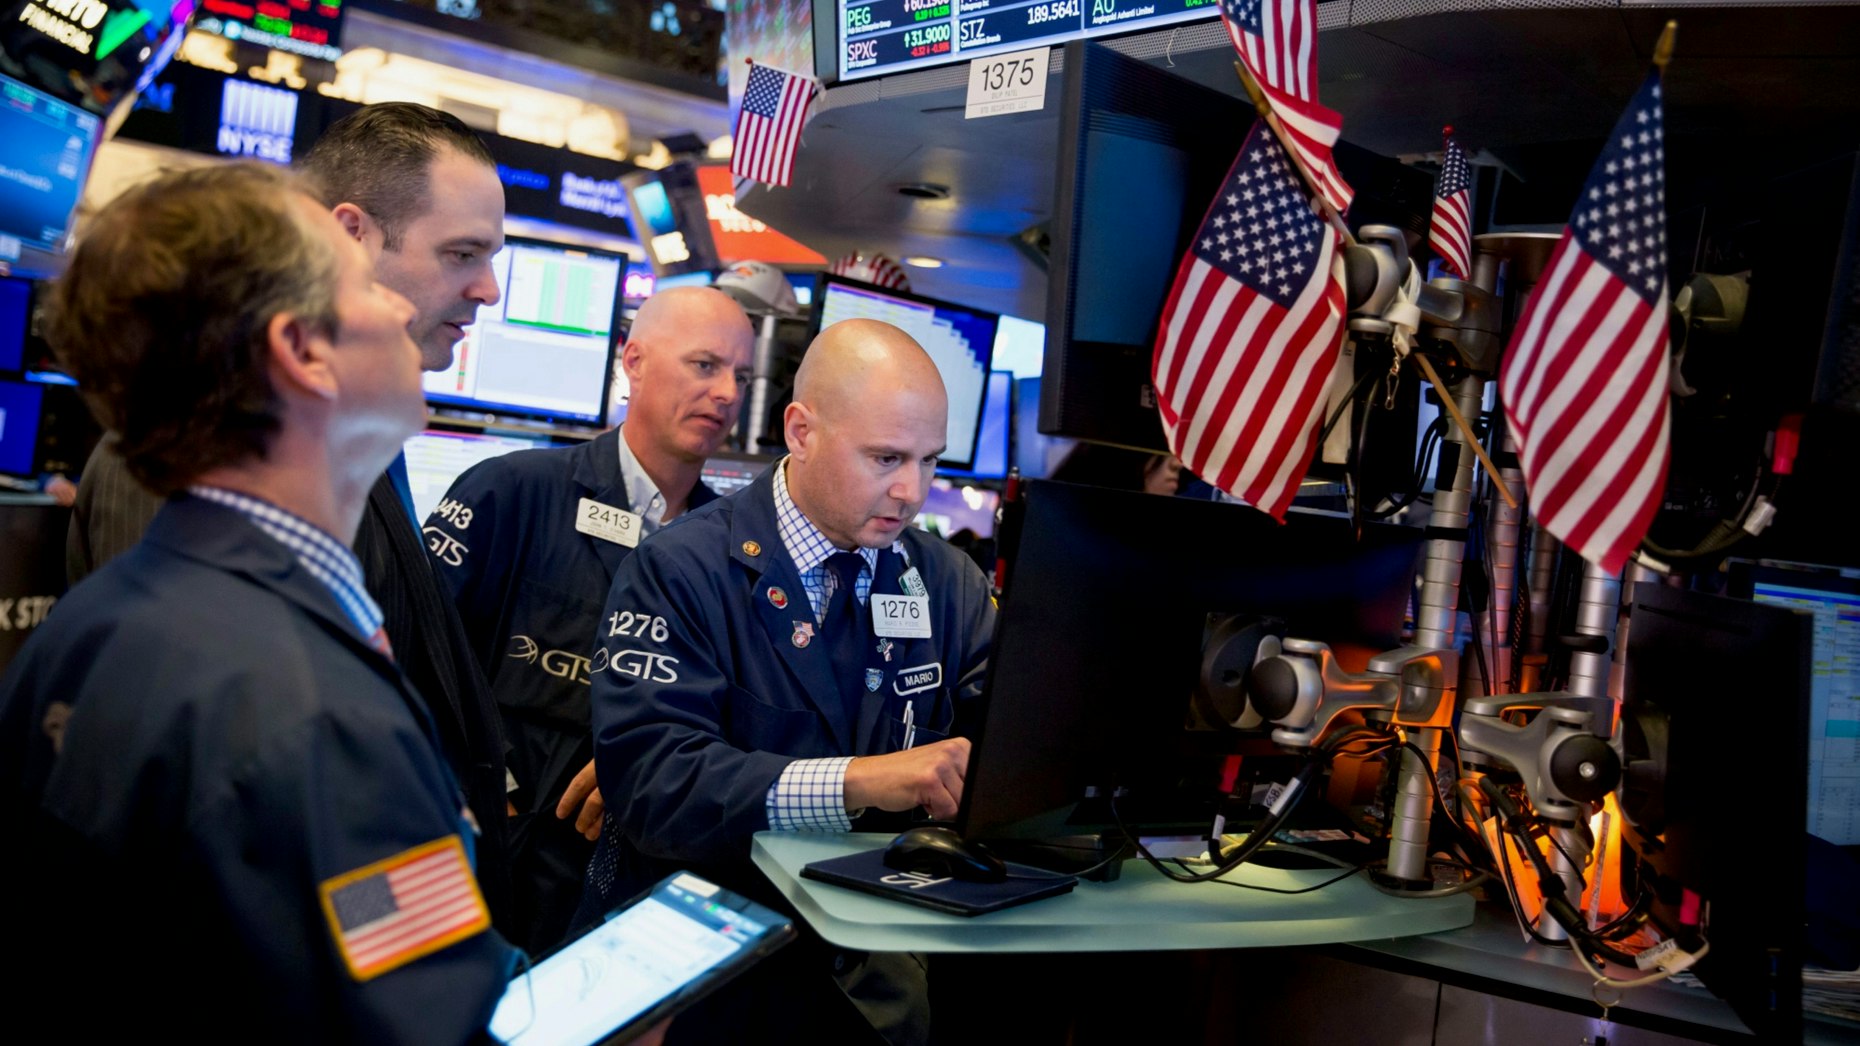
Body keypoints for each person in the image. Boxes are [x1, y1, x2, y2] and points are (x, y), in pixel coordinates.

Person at [0, 162, 517, 1040]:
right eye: (361, 284)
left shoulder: (87, 624)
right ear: (302, 353)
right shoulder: (319, 716)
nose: (398, 309)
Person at [584, 318, 996, 1043]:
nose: (912, 491)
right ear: (801, 431)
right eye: (885, 458)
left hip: (877, 984)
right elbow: (654, 784)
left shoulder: (945, 583)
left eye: (930, 461)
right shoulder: (681, 570)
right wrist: (863, 780)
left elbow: (1010, 746)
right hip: (711, 977)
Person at [422, 285, 755, 953]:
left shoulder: (737, 554)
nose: (725, 393)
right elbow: (415, 664)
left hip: (641, 892)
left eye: (741, 376)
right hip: (490, 864)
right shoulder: (512, 492)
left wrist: (644, 757)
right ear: (633, 361)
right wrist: (492, 791)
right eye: (703, 365)